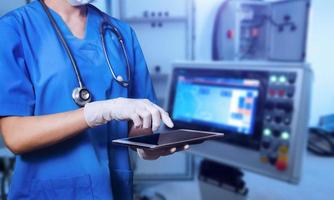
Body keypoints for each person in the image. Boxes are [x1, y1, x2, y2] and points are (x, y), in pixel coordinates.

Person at [0, 0, 187, 199]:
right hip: (47, 192)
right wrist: (97, 112)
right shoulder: (13, 29)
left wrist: (147, 146)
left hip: (112, 191)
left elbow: (137, 123)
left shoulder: (121, 33)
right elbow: (15, 136)